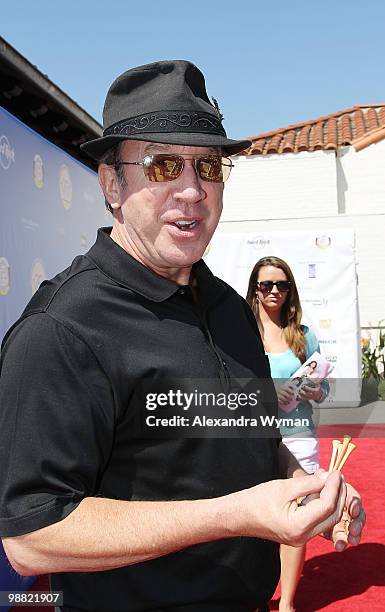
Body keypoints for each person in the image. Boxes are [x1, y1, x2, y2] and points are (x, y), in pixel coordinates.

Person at [0, 61, 365, 612]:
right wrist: (237, 514)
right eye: (163, 164)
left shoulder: (228, 308)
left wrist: (308, 487)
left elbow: (250, 443)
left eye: (210, 166)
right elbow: (31, 537)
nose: (193, 190)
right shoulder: (63, 329)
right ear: (111, 184)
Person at [246, 256, 330, 612]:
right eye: (266, 284)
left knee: (296, 517)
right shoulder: (242, 332)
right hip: (253, 436)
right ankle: (257, 595)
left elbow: (323, 386)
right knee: (254, 519)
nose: (274, 291)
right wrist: (269, 394)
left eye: (282, 284)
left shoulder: (304, 336)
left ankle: (288, 604)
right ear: (255, 289)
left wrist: (315, 391)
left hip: (299, 434)